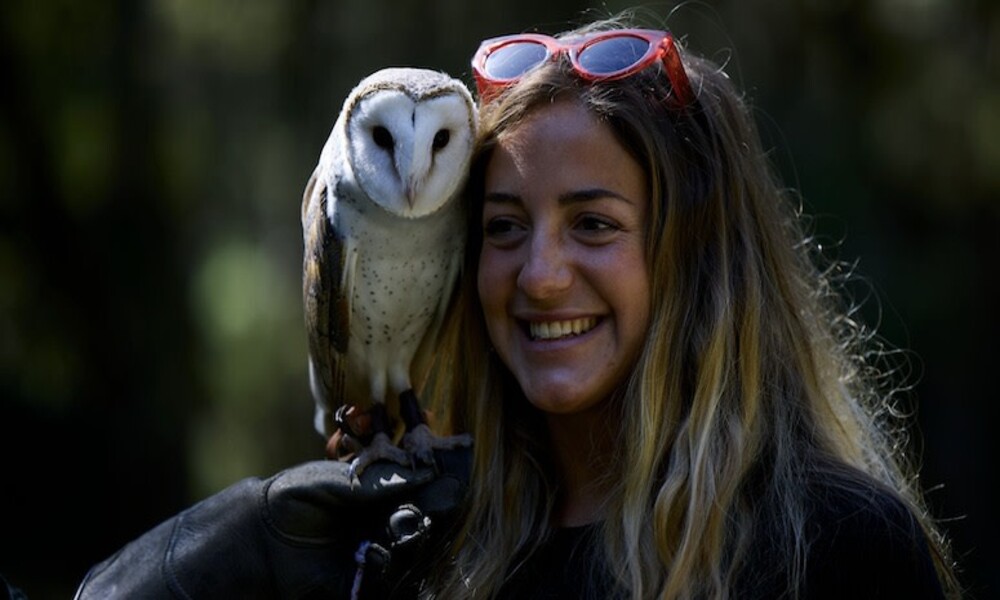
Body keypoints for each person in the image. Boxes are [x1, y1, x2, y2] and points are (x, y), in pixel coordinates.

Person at [72, 11, 962, 600]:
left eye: (593, 224)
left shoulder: (833, 547)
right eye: (503, 226)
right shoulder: (436, 555)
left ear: (695, 253)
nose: (539, 274)